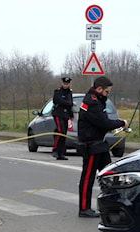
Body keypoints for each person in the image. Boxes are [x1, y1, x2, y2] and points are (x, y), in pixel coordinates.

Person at [77, 76, 128, 218]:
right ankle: (84, 208)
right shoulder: (92, 103)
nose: (108, 95)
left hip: (100, 144)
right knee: (88, 177)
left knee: (109, 175)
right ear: (99, 89)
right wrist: (121, 123)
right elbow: (104, 123)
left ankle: (112, 206)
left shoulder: (97, 100)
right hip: (91, 145)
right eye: (106, 92)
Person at [51, 77, 75, 160]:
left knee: (64, 133)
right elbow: (58, 101)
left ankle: (61, 153)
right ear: (62, 83)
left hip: (66, 114)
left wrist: (71, 115)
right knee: (60, 131)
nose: (65, 85)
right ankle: (55, 150)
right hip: (58, 113)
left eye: (67, 84)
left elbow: (69, 105)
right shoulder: (57, 91)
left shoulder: (70, 92)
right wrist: (70, 103)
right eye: (64, 83)